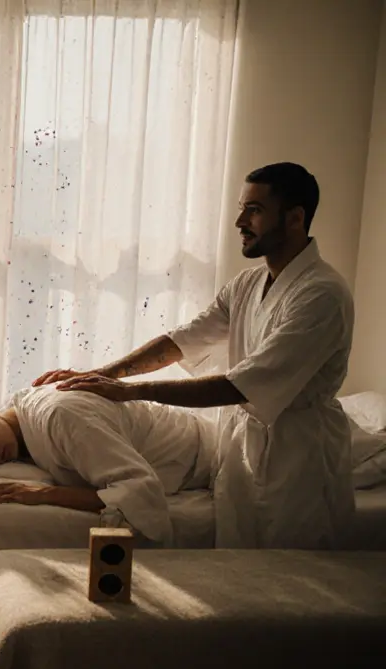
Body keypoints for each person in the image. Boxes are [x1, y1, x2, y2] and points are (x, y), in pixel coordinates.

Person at [33, 162, 355, 550]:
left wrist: (134, 392)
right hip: (240, 454)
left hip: (299, 461)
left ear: (295, 218)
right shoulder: (247, 284)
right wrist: (104, 374)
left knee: (295, 589)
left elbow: (241, 385)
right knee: (238, 582)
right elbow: (182, 340)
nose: (239, 220)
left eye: (254, 210)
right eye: (241, 208)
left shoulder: (322, 295)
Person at [0, 383, 218, 545]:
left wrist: (45, 494)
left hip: (207, 460)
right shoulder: (16, 417)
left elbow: (141, 493)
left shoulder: (60, 418)